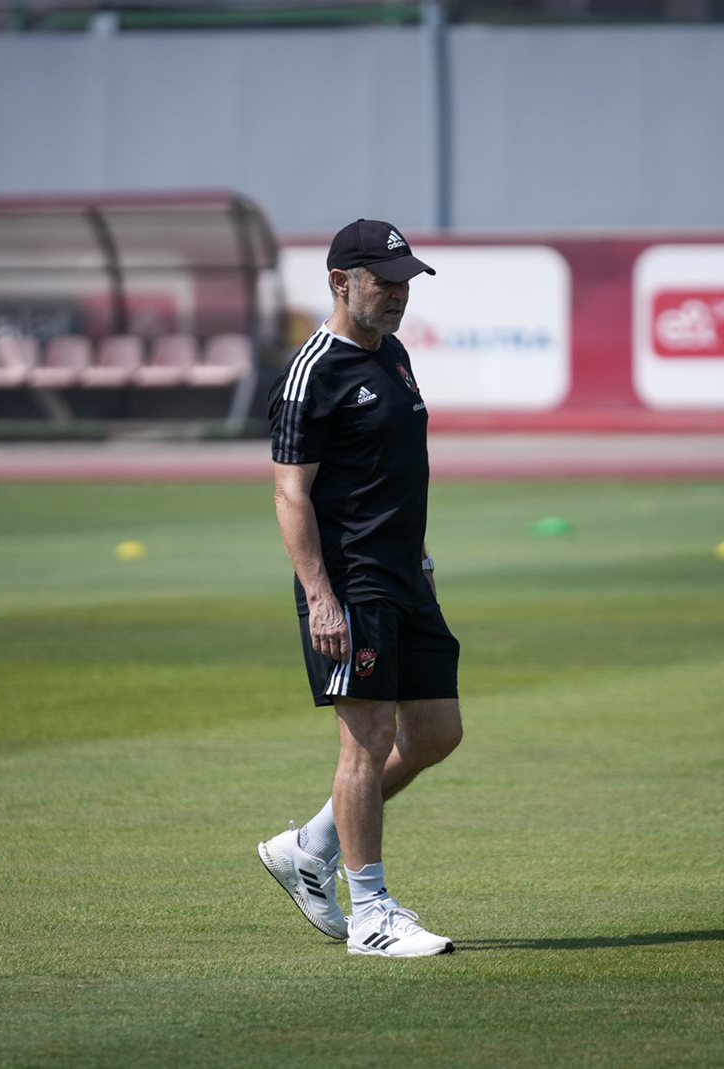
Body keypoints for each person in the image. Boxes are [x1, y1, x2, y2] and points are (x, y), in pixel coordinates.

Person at [258, 219, 463, 958]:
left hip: (408, 576)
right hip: (351, 583)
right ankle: (371, 914)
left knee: (437, 733)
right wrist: (320, 596)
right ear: (341, 282)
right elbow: (290, 494)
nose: (399, 294)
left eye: (406, 281)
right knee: (368, 741)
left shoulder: (394, 354)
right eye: (385, 281)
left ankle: (309, 847)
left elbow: (391, 474)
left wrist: (422, 555)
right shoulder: (312, 372)